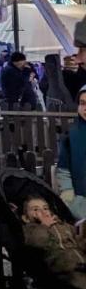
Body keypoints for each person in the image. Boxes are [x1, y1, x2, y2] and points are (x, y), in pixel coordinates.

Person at [20, 196, 86, 289]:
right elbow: (38, 243)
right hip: (63, 269)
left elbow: (79, 241)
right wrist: (44, 226)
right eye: (35, 209)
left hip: (80, 263)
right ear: (26, 218)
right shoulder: (30, 229)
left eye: (45, 208)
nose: (42, 212)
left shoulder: (63, 226)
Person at [58, 86, 86, 221]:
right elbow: (63, 169)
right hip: (81, 205)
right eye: (82, 103)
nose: (85, 108)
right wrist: (69, 197)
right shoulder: (71, 136)